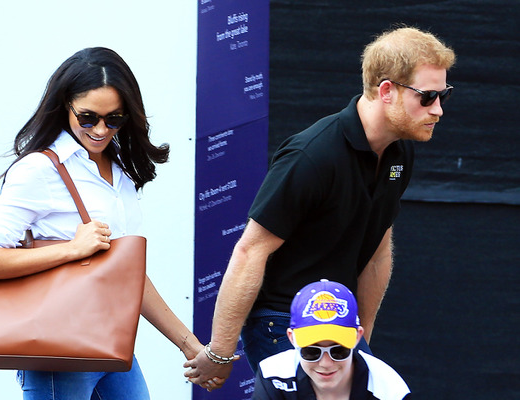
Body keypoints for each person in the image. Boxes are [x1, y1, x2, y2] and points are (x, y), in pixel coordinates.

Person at [185, 26, 455, 386]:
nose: (438, 110)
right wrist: (219, 352)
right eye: (428, 96)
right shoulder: (312, 155)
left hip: (341, 322)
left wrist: (362, 339)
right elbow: (250, 251)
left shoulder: (399, 152)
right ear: (387, 90)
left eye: (443, 95)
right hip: (282, 320)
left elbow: (376, 253)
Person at [0, 47, 221, 399]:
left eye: (113, 119)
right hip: (59, 351)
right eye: (88, 117)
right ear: (64, 107)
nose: (101, 129)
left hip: (110, 342)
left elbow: (127, 273)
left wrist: (188, 344)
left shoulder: (118, 173)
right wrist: (72, 250)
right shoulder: (40, 171)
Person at [253, 280, 411, 399]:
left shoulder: (390, 391)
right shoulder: (273, 375)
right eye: (311, 352)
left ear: (357, 337)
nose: (325, 363)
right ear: (292, 338)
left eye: (339, 351)